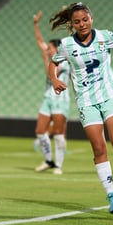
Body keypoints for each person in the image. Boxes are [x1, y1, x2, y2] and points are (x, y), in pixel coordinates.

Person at [48, 2, 113, 214]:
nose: (82, 24)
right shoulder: (67, 45)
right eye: (77, 21)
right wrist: (54, 79)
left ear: (91, 18)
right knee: (98, 148)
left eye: (85, 20)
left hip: (109, 94)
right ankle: (111, 195)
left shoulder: (106, 36)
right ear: (72, 24)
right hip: (86, 100)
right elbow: (53, 63)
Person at [33, 10, 70, 175]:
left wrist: (45, 59)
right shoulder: (49, 57)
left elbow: (51, 74)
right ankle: (48, 160)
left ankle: (59, 166)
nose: (47, 50)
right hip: (48, 97)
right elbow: (40, 41)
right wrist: (35, 24)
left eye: (49, 48)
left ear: (56, 49)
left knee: (58, 134)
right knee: (41, 132)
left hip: (60, 99)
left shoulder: (64, 62)